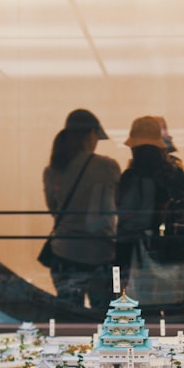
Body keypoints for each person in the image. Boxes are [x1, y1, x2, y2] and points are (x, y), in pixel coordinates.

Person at [115, 116, 184, 314]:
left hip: (142, 264)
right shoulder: (175, 173)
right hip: (176, 260)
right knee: (176, 319)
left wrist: (117, 272)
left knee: (145, 322)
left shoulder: (131, 178)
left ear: (134, 148)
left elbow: (125, 226)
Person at [43, 109, 121, 311]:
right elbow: (118, 205)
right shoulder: (108, 167)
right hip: (102, 253)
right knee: (106, 319)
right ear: (91, 133)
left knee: (70, 320)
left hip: (64, 253)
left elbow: (54, 209)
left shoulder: (52, 169)